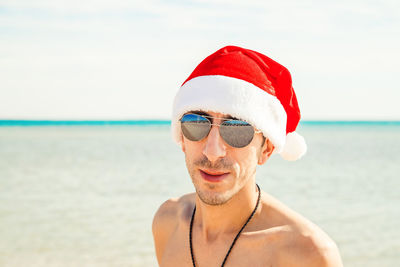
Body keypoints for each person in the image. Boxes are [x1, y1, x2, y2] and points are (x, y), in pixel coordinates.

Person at [152, 46, 343, 267]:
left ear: (267, 149)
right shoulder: (168, 223)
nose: (212, 151)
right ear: (182, 138)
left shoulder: (306, 255)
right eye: (196, 124)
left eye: (237, 130)